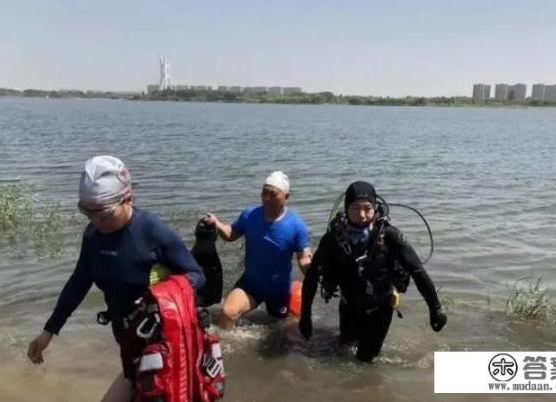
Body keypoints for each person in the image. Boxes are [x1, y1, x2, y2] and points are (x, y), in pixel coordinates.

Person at [26, 155, 205, 402]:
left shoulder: (153, 231)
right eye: (87, 213)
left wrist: (161, 296)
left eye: (105, 213)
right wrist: (49, 330)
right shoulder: (93, 235)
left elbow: (196, 275)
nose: (96, 221)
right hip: (125, 333)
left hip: (164, 335)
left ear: (128, 198)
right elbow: (78, 283)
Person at [299, 181, 447, 363]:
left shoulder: (391, 236)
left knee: (363, 361)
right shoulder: (333, 239)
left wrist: (435, 308)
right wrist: (305, 316)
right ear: (346, 208)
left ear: (375, 208)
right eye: (355, 208)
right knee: (342, 352)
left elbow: (417, 271)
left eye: (367, 208)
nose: (362, 215)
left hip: (380, 308)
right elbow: (313, 276)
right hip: (348, 305)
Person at [203, 171, 312, 330]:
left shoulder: (297, 226)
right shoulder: (250, 215)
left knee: (282, 329)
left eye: (273, 194)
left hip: (279, 290)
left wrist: (312, 269)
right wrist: (217, 224)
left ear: (286, 197)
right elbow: (231, 234)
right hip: (251, 284)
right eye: (264, 193)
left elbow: (303, 257)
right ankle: (223, 349)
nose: (267, 198)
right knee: (228, 313)